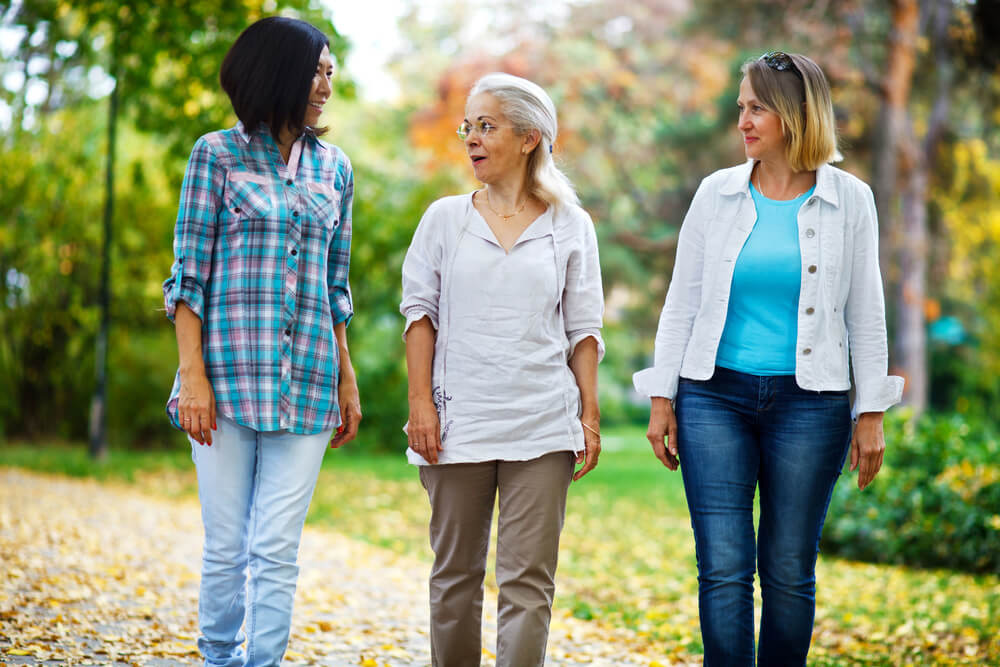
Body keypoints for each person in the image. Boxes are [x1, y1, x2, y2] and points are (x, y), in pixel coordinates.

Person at [633, 52, 904, 665]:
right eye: (741, 107)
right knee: (723, 569)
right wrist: (661, 397)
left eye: (756, 107)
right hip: (713, 398)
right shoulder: (716, 193)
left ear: (793, 113)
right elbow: (682, 301)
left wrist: (871, 414)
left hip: (812, 404)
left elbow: (866, 310)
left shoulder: (850, 200)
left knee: (787, 570)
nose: (743, 121)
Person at [162, 17, 361, 666]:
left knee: (277, 546)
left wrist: (346, 375)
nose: (327, 83)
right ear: (277, 70)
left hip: (307, 381)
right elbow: (187, 279)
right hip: (223, 381)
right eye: (316, 68)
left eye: (332, 70)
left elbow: (336, 284)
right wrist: (191, 376)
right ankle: (218, 657)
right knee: (227, 544)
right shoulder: (215, 155)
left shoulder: (335, 169)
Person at [400, 72, 604, 667]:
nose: (470, 138)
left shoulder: (571, 225)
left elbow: (583, 329)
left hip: (542, 422)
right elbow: (419, 314)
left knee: (528, 583)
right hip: (456, 421)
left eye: (486, 125)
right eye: (468, 126)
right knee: (455, 578)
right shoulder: (444, 218)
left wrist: (588, 415)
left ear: (529, 138)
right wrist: (421, 404)